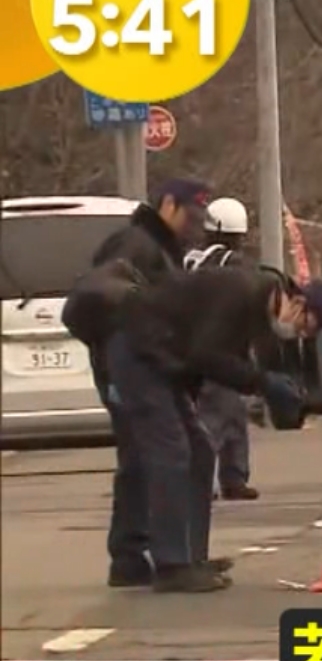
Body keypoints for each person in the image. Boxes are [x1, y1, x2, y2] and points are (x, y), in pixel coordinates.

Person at [81, 263, 322, 592]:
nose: (296, 333)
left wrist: (266, 384)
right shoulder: (243, 290)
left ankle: (189, 556)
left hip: (163, 360)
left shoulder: (257, 307)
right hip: (139, 351)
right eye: (303, 325)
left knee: (200, 449)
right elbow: (208, 355)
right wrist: (261, 383)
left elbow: (214, 357)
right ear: (298, 301)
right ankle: (172, 565)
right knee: (171, 452)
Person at [62, 179, 209, 588]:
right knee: (172, 450)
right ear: (168, 205)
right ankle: (174, 560)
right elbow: (105, 301)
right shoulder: (136, 244)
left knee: (143, 457)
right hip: (132, 364)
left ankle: (133, 556)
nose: (196, 225)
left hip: (141, 364)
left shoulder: (158, 248)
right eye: (191, 215)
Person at [186, 197, 258, 501]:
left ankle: (232, 477)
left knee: (230, 414)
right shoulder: (233, 265)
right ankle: (213, 478)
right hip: (225, 349)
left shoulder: (193, 260)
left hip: (198, 347)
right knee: (219, 414)